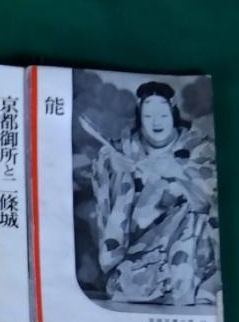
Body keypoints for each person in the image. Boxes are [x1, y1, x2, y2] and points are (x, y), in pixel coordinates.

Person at [91, 81, 219, 306]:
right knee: (124, 286)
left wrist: (177, 174)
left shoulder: (197, 146)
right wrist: (117, 171)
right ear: (140, 116)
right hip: (140, 241)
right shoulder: (124, 149)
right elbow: (110, 197)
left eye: (162, 115)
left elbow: (210, 196)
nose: (156, 122)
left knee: (190, 212)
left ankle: (195, 284)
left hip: (189, 240)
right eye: (149, 116)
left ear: (173, 112)